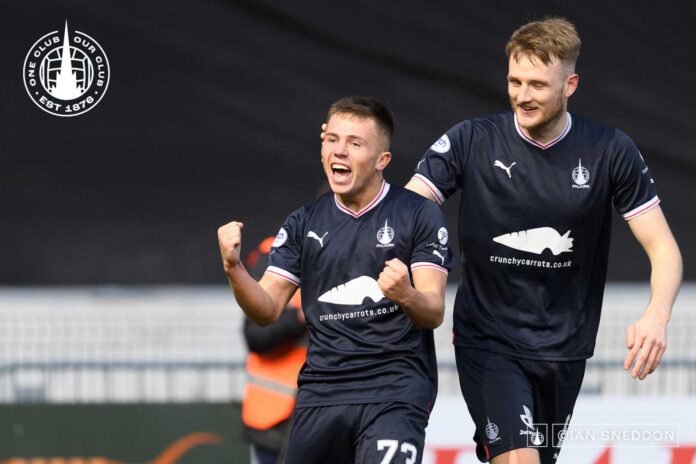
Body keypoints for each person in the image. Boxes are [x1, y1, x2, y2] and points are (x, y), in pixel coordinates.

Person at [401, 16, 683, 464]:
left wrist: (657, 315)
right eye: (514, 81)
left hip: (565, 348)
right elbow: (406, 209)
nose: (522, 95)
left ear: (570, 84)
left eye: (537, 84)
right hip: (488, 339)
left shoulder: (610, 149)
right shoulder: (472, 140)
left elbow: (663, 247)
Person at [219, 96, 452, 464]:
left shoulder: (418, 214)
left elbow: (434, 309)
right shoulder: (302, 223)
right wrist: (234, 268)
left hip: (393, 392)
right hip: (321, 395)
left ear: (382, 161)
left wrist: (406, 295)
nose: (340, 152)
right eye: (333, 140)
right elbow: (265, 311)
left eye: (355, 143)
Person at [241, 236, 307, 464]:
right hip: (273, 421)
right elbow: (256, 335)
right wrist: (299, 319)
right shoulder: (277, 252)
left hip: (324, 417)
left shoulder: (359, 253)